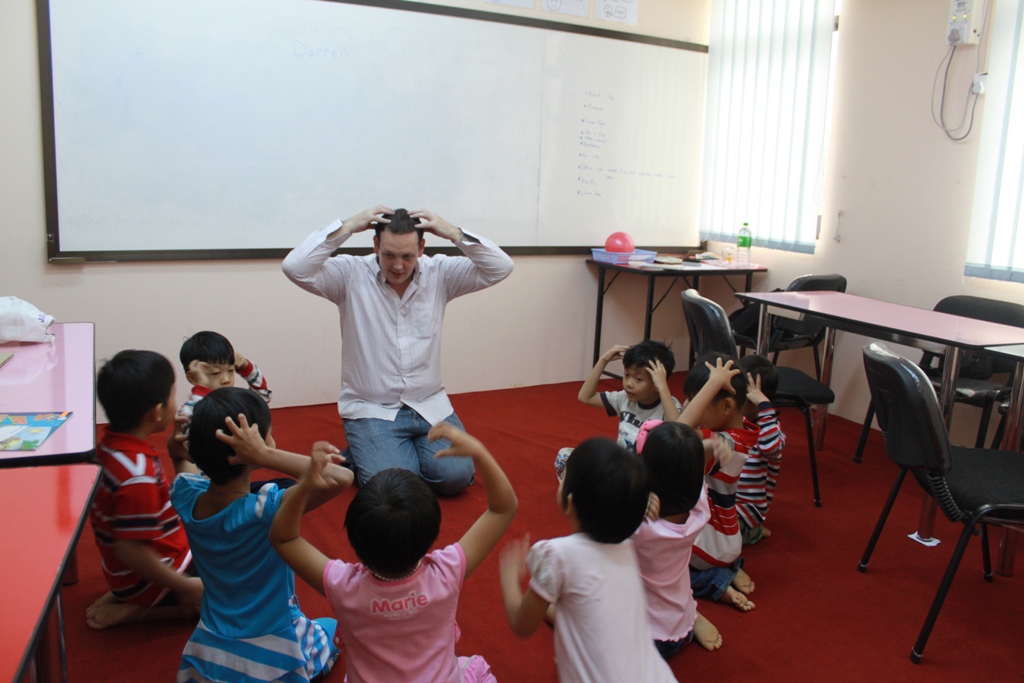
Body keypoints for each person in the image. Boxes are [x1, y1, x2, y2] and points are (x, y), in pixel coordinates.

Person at [282, 206, 514, 496]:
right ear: (376, 245)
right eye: (389, 255)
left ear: (421, 249)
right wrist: (348, 226)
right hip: (373, 407)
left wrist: (452, 232)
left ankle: (368, 455)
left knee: (454, 477)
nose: (398, 266)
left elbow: (501, 267)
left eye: (407, 256)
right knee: (396, 487)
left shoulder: (440, 272)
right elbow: (294, 267)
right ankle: (376, 453)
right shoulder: (350, 274)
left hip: (428, 404)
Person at [269, 423, 517, 683]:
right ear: (431, 535)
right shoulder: (447, 571)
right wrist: (479, 452)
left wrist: (306, 485)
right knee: (475, 667)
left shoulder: (342, 585)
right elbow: (503, 508)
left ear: (354, 538)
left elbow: (284, 537)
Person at [171, 388, 351, 682]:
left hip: (212, 643)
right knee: (332, 628)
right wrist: (266, 455)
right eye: (267, 437)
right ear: (249, 453)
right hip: (275, 644)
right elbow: (342, 477)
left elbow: (182, 463)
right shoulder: (264, 511)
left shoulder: (184, 495)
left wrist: (176, 449)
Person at [500, 437, 678, 683]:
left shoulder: (556, 556)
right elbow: (593, 613)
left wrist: (509, 578)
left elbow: (522, 624)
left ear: (570, 503)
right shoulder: (627, 548)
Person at [86, 350, 202, 630]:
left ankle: (127, 594)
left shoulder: (109, 449)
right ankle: (144, 610)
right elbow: (130, 549)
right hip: (153, 578)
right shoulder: (137, 475)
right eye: (173, 394)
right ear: (157, 411)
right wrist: (185, 586)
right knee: (244, 587)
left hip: (130, 573)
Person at [633, 420, 724, 657]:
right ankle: (696, 618)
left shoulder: (638, 527)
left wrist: (636, 501)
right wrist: (711, 447)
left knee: (563, 607)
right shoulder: (700, 509)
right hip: (681, 624)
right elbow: (689, 470)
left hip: (646, 638)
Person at [678, 355, 756, 612]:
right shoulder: (741, 433)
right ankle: (731, 567)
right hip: (724, 538)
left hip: (707, 544)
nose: (690, 407)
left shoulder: (722, 443)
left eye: (698, 402)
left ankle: (716, 580)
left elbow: (676, 434)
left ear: (726, 407)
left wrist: (713, 383)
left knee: (654, 565)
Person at [555, 341, 682, 478]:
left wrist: (662, 387)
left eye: (639, 379)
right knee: (565, 457)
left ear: (658, 382)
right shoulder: (624, 398)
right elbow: (586, 397)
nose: (629, 384)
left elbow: (680, 435)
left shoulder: (669, 406)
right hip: (621, 467)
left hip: (646, 476)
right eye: (626, 375)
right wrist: (603, 360)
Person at [735, 355, 786, 545]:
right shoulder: (736, 419)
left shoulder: (771, 431)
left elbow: (770, 447)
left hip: (746, 508)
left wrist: (764, 405)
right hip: (721, 499)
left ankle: (753, 532)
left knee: (716, 539)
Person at [177, 330, 271, 426]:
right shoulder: (188, 411)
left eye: (230, 370)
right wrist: (201, 387)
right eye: (216, 373)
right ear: (192, 378)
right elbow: (204, 417)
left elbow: (263, 396)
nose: (226, 379)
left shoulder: (237, 401)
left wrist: (247, 367)